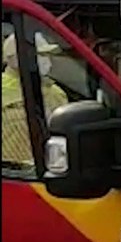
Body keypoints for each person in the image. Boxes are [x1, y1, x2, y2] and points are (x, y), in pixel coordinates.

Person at [2, 32, 70, 167]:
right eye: (41, 56)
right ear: (16, 58)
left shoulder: (55, 93)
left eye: (48, 56)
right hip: (12, 176)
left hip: (49, 172)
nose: (48, 62)